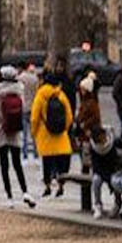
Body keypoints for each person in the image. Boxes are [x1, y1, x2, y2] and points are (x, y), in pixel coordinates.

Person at [0, 66, 35, 208]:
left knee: (4, 165)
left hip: (1, 130)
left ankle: (10, 197)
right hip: (15, 131)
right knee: (17, 164)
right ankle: (25, 191)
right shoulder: (19, 88)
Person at [31, 68, 73, 196]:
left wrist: (34, 132)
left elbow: (34, 117)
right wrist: (64, 128)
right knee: (61, 162)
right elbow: (69, 116)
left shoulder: (40, 95)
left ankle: (47, 186)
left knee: (47, 162)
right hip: (61, 136)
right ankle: (61, 185)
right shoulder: (61, 95)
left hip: (45, 135)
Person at [88, 126, 121, 220]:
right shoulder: (94, 148)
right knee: (96, 180)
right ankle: (98, 206)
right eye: (101, 138)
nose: (104, 139)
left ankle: (117, 203)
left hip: (113, 170)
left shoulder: (111, 142)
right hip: (101, 171)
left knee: (115, 180)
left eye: (104, 136)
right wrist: (106, 176)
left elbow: (115, 162)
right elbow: (96, 167)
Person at [18, 62, 39, 161]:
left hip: (23, 106)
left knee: (24, 133)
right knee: (34, 131)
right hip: (33, 106)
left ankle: (25, 153)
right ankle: (36, 152)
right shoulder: (35, 79)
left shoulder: (20, 78)